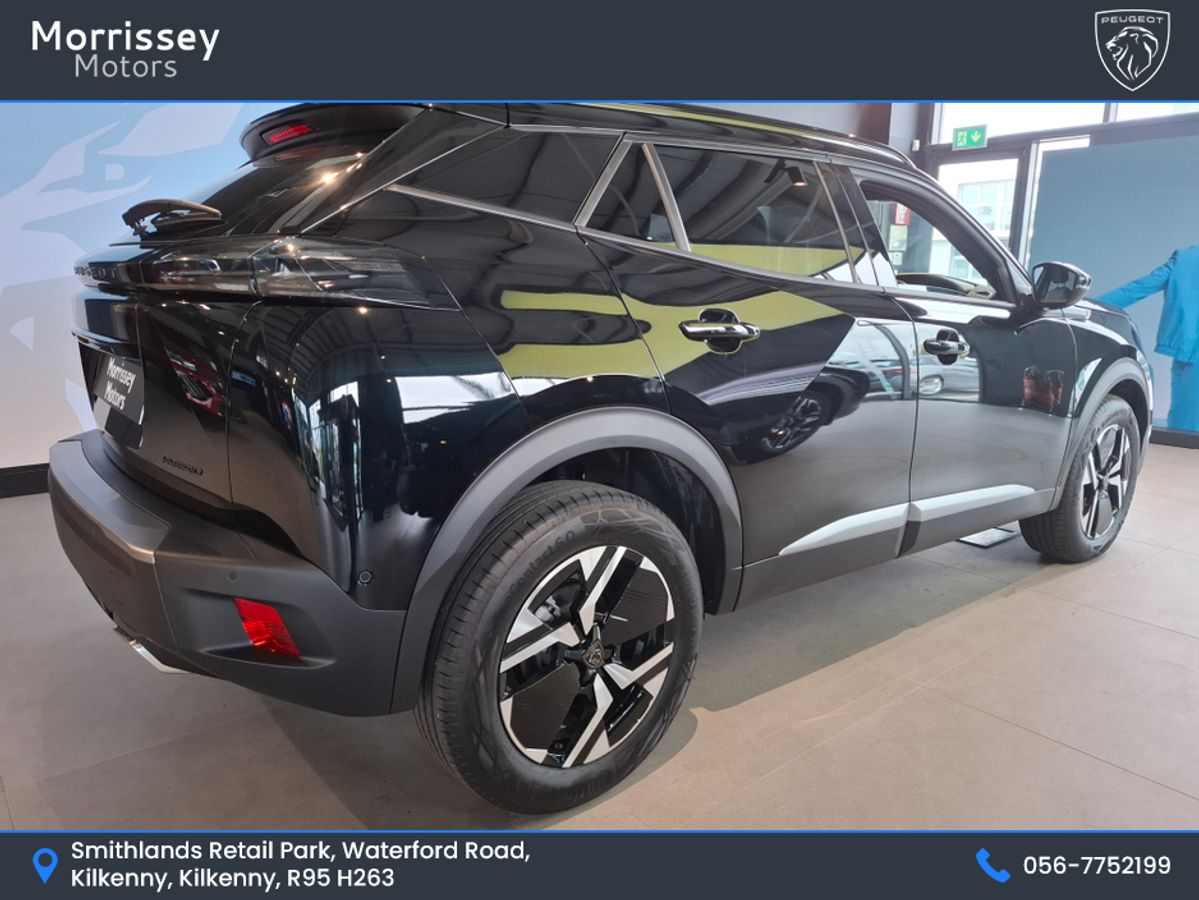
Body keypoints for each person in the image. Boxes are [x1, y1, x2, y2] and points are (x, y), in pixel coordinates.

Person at [1099, 246, 1199, 432]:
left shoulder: (1186, 259)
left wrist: (1091, 307)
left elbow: (1138, 288)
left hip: (1188, 352)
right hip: (1190, 354)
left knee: (1183, 429)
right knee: (1186, 430)